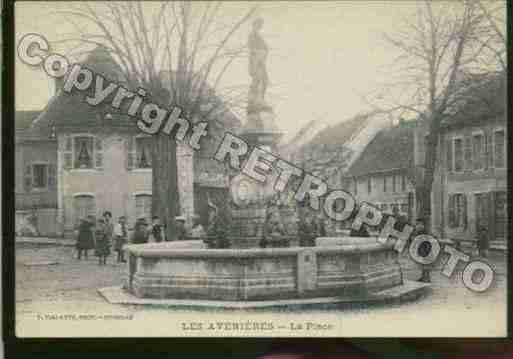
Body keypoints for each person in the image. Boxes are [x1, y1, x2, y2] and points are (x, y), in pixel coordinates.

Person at [411, 218, 431, 283]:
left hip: (425, 249)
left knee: (425, 264)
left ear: (422, 224)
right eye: (416, 224)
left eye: (418, 224)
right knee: (422, 264)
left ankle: (427, 278)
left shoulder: (424, 231)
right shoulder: (420, 231)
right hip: (422, 249)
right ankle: (424, 277)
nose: (416, 226)